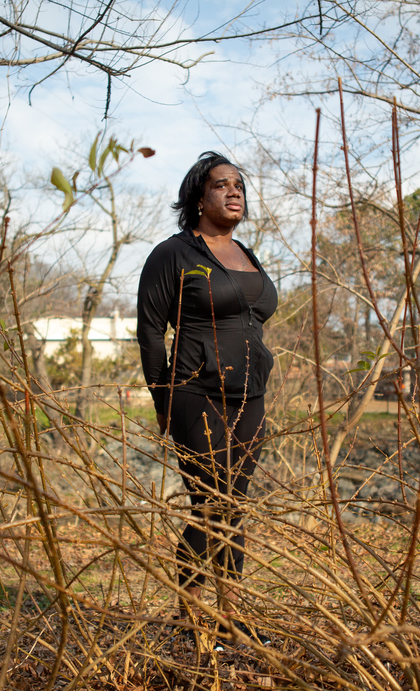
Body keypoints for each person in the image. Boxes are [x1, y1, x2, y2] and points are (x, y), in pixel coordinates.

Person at [137, 151, 277, 648]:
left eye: (238, 184)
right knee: (212, 500)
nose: (234, 191)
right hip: (194, 391)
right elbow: (150, 332)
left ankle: (230, 618)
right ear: (199, 197)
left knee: (233, 504)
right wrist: (163, 400)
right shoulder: (173, 254)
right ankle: (191, 618)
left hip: (250, 395)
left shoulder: (246, 253)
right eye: (221, 184)